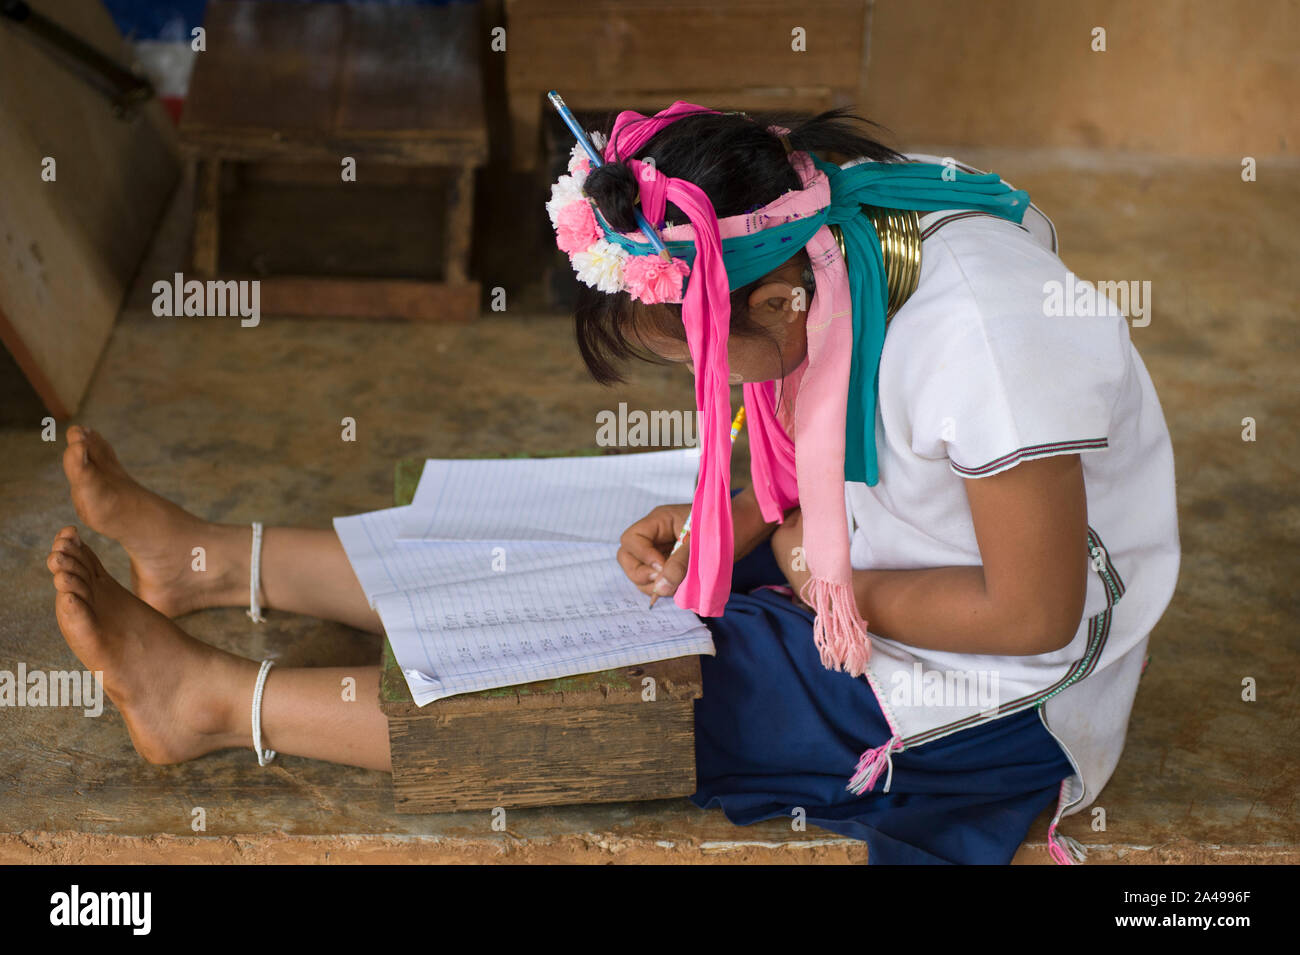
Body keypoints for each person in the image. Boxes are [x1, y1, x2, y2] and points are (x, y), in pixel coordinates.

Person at [44, 101, 1179, 865]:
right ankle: (208, 564)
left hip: (988, 688)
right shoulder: (816, 229)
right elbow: (807, 425)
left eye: (693, 348)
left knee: (627, 687)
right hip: (888, 559)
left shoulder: (984, 334)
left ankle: (209, 704)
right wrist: (734, 506)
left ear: (774, 302)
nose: (699, 378)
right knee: (604, 541)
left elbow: (1035, 611)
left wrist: (806, 567)